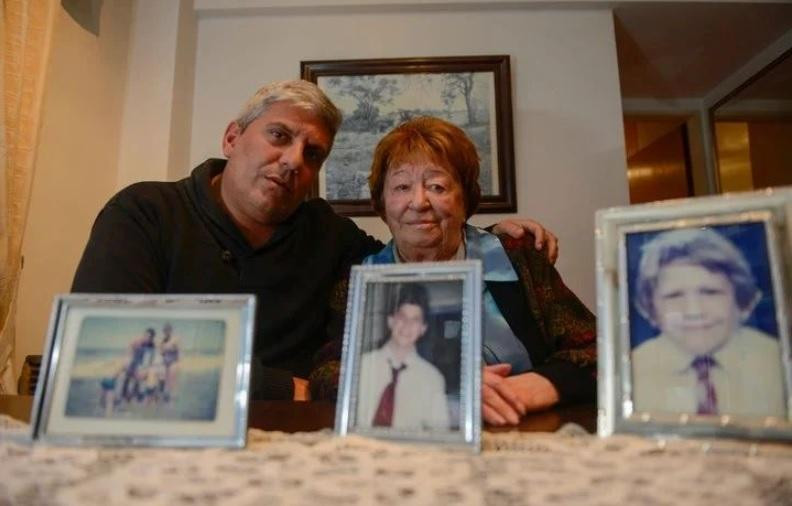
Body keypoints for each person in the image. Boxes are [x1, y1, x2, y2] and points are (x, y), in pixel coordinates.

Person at [72, 80, 557, 401]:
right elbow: (102, 346)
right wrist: (291, 388)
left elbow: (409, 252)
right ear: (231, 138)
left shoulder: (327, 233)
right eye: (278, 136)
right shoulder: (144, 213)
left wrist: (488, 238)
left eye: (312, 153)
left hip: (299, 439)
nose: (292, 160)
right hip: (164, 423)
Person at [312, 117, 596, 426]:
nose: (419, 202)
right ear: (382, 203)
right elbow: (326, 373)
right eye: (402, 186)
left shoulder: (517, 259)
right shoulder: (362, 280)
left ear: (465, 198)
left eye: (437, 186)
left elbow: (598, 349)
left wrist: (523, 390)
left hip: (524, 431)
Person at [631, 228, 785, 418]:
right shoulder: (632, 372)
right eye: (674, 295)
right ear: (650, 309)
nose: (694, 311)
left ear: (742, 300)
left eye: (710, 292)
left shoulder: (778, 362)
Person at [357, 283, 450, 430]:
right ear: (391, 320)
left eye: (415, 320)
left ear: (423, 328)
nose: (407, 325)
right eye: (402, 316)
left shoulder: (432, 379)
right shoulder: (363, 365)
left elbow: (440, 432)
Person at [121, 328, 156, 402]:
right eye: (145, 335)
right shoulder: (138, 342)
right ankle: (125, 394)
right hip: (133, 364)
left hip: (140, 367)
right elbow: (129, 350)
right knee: (127, 378)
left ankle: (136, 396)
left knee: (138, 380)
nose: (146, 338)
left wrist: (144, 369)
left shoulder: (150, 348)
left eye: (149, 337)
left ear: (152, 338)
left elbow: (148, 362)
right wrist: (128, 359)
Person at [159, 323, 180, 401]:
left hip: (173, 362)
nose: (166, 332)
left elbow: (179, 351)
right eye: (164, 330)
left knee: (171, 379)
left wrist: (178, 363)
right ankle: (163, 394)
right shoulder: (162, 340)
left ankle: (171, 396)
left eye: (168, 330)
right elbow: (161, 352)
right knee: (162, 378)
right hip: (164, 362)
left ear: (171, 331)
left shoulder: (175, 339)